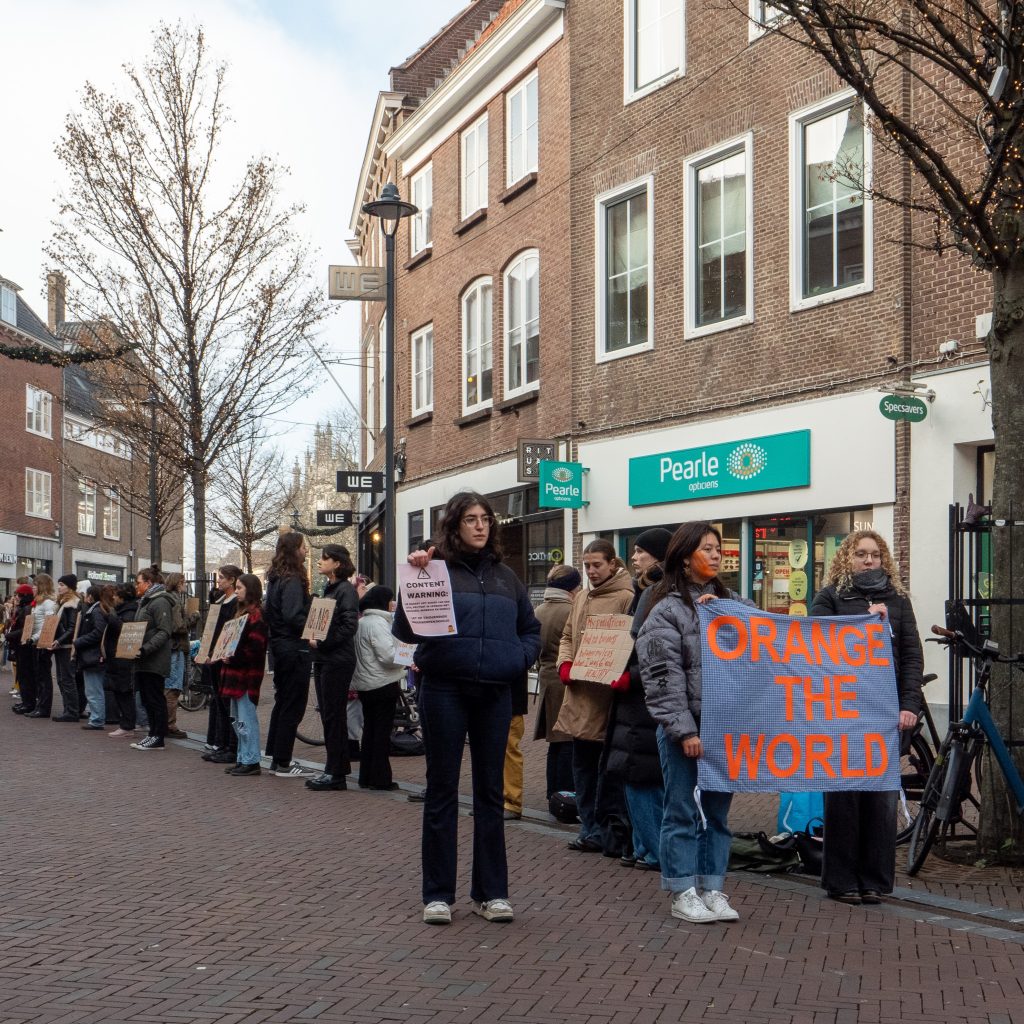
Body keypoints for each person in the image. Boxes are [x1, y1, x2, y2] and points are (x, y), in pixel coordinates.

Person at [394, 491, 541, 926]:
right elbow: (406, 630)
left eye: (486, 519)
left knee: (490, 794)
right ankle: (437, 894)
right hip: (444, 690)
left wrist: (518, 658)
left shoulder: (507, 579)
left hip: (495, 692)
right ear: (454, 525)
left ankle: (491, 893)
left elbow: (531, 630)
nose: (480, 526)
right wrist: (413, 583)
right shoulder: (434, 571)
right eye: (471, 519)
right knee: (441, 790)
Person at [636, 521, 752, 924]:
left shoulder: (735, 604)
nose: (717, 554)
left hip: (726, 728)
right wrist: (683, 729)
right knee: (681, 809)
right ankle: (682, 888)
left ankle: (713, 887)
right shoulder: (665, 611)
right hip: (687, 729)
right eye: (707, 548)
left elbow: (779, 641)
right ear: (686, 558)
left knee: (718, 814)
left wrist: (865, 623)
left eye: (719, 548)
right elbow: (662, 674)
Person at [811, 529, 924, 905]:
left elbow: (910, 656)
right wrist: (864, 623)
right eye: (860, 554)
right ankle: (841, 881)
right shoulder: (830, 598)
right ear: (846, 559)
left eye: (875, 554)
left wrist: (909, 704)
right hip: (842, 713)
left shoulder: (899, 601)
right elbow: (816, 647)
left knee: (880, 797)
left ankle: (875, 881)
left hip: (884, 713)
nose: (869, 561)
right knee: (843, 796)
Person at [554, 540, 634, 854]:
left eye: (597, 565)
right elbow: (568, 635)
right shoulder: (582, 597)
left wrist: (619, 674)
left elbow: (630, 643)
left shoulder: (626, 598)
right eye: (587, 566)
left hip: (606, 699)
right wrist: (565, 663)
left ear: (613, 564)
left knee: (604, 773)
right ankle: (588, 828)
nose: (591, 571)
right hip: (579, 695)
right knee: (582, 769)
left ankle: (604, 832)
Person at [604, 527, 673, 870]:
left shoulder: (655, 593)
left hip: (641, 699)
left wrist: (628, 675)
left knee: (640, 777)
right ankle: (645, 847)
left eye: (641, 552)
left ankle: (655, 850)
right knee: (644, 776)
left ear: (658, 555)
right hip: (642, 697)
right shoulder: (647, 590)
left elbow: (648, 649)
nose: (634, 558)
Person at [306, 544, 359, 792]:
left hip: (336, 659)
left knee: (333, 715)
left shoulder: (345, 590)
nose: (319, 562)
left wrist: (323, 641)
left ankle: (336, 772)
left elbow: (349, 626)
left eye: (324, 558)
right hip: (325, 658)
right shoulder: (330, 589)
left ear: (337, 563)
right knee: (329, 713)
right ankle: (334, 769)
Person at [263, 532, 314, 778]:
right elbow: (293, 615)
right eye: (303, 547)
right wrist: (312, 628)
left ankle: (275, 756)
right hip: (294, 648)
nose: (306, 551)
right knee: (293, 704)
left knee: (283, 701)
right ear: (294, 550)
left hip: (279, 647)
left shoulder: (275, 578)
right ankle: (284, 761)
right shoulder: (293, 578)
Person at [533, 565, 580, 800]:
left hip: (547, 679)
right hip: (566, 681)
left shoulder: (539, 610)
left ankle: (553, 791)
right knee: (567, 741)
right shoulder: (572, 611)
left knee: (555, 741)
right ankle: (564, 794)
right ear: (573, 587)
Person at [351, 584, 404, 791]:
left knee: (370, 731)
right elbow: (388, 655)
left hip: (365, 683)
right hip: (382, 682)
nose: (392, 604)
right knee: (381, 732)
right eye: (390, 599)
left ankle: (366, 776)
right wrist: (405, 657)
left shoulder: (362, 622)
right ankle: (381, 778)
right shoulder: (379, 624)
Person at [219, 573, 269, 776]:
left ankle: (251, 760)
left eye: (240, 588)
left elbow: (255, 648)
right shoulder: (242, 613)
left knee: (246, 719)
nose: (237, 591)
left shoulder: (256, 615)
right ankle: (243, 758)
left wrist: (233, 656)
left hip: (245, 676)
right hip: (237, 674)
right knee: (239, 720)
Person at [130, 568, 176, 751]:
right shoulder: (145, 602)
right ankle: (152, 734)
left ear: (148, 583)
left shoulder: (160, 602)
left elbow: (165, 631)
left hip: (153, 659)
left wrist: (145, 649)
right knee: (147, 698)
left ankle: (158, 736)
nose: (136, 586)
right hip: (143, 659)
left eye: (138, 582)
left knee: (155, 697)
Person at [202, 565, 242, 763]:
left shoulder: (233, 604)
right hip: (215, 657)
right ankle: (221, 743)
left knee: (226, 703)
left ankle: (229, 745)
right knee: (219, 701)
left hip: (223, 658)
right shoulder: (221, 601)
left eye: (222, 578)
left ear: (232, 580)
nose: (219, 581)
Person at [164, 573, 194, 739]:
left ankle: (165, 723)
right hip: (176, 648)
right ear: (178, 583)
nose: (185, 585)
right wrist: (193, 618)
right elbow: (179, 627)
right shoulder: (174, 600)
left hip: (168, 648)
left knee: (167, 686)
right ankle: (170, 725)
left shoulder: (165, 598)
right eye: (183, 582)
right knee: (173, 688)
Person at [106, 583, 139, 736]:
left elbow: (127, 632)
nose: (113, 598)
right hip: (115, 656)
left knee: (124, 691)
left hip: (123, 658)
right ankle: (126, 724)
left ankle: (127, 725)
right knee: (119, 690)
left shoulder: (129, 612)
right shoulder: (122, 611)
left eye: (116, 595)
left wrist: (112, 619)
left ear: (122, 597)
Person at [23, 575, 58, 720]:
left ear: (42, 586)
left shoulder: (48, 603)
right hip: (35, 643)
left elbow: (47, 624)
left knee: (44, 677)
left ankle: (44, 708)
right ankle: (39, 705)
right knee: (39, 676)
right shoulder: (38, 603)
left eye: (36, 585)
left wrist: (34, 638)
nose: (33, 588)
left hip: (42, 643)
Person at [50, 575, 83, 723]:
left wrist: (59, 640)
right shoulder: (63, 602)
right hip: (60, 646)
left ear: (69, 586)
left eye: (62, 584)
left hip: (66, 646)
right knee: (62, 680)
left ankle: (72, 711)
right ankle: (68, 709)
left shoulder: (72, 604)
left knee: (67, 679)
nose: (59, 587)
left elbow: (72, 628)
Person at [8, 585, 35, 711]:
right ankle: (25, 701)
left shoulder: (27, 609)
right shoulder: (22, 608)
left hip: (25, 646)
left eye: (18, 595)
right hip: (20, 646)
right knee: (22, 675)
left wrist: (10, 635)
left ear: (24, 596)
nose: (16, 598)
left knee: (25, 676)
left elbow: (25, 629)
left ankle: (28, 703)